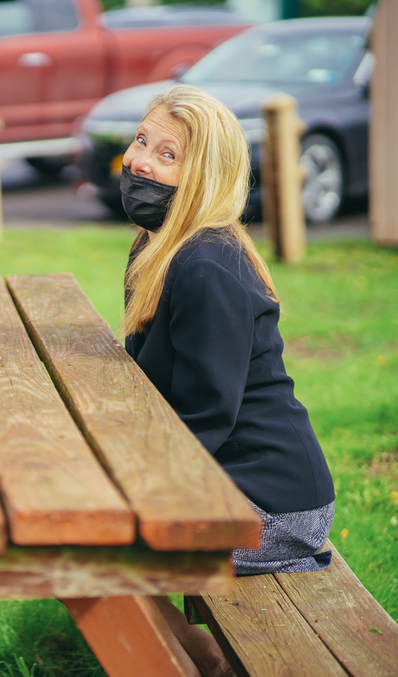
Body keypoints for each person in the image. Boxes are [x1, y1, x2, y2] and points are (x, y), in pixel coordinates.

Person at [117, 84, 334, 677]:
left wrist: (129, 489)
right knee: (91, 534)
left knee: (95, 545)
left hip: (271, 506)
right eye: (142, 141)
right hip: (226, 478)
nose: (140, 161)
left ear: (203, 177)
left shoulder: (205, 264)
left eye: (167, 154)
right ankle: (201, 655)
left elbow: (206, 416)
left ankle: (197, 660)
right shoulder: (158, 246)